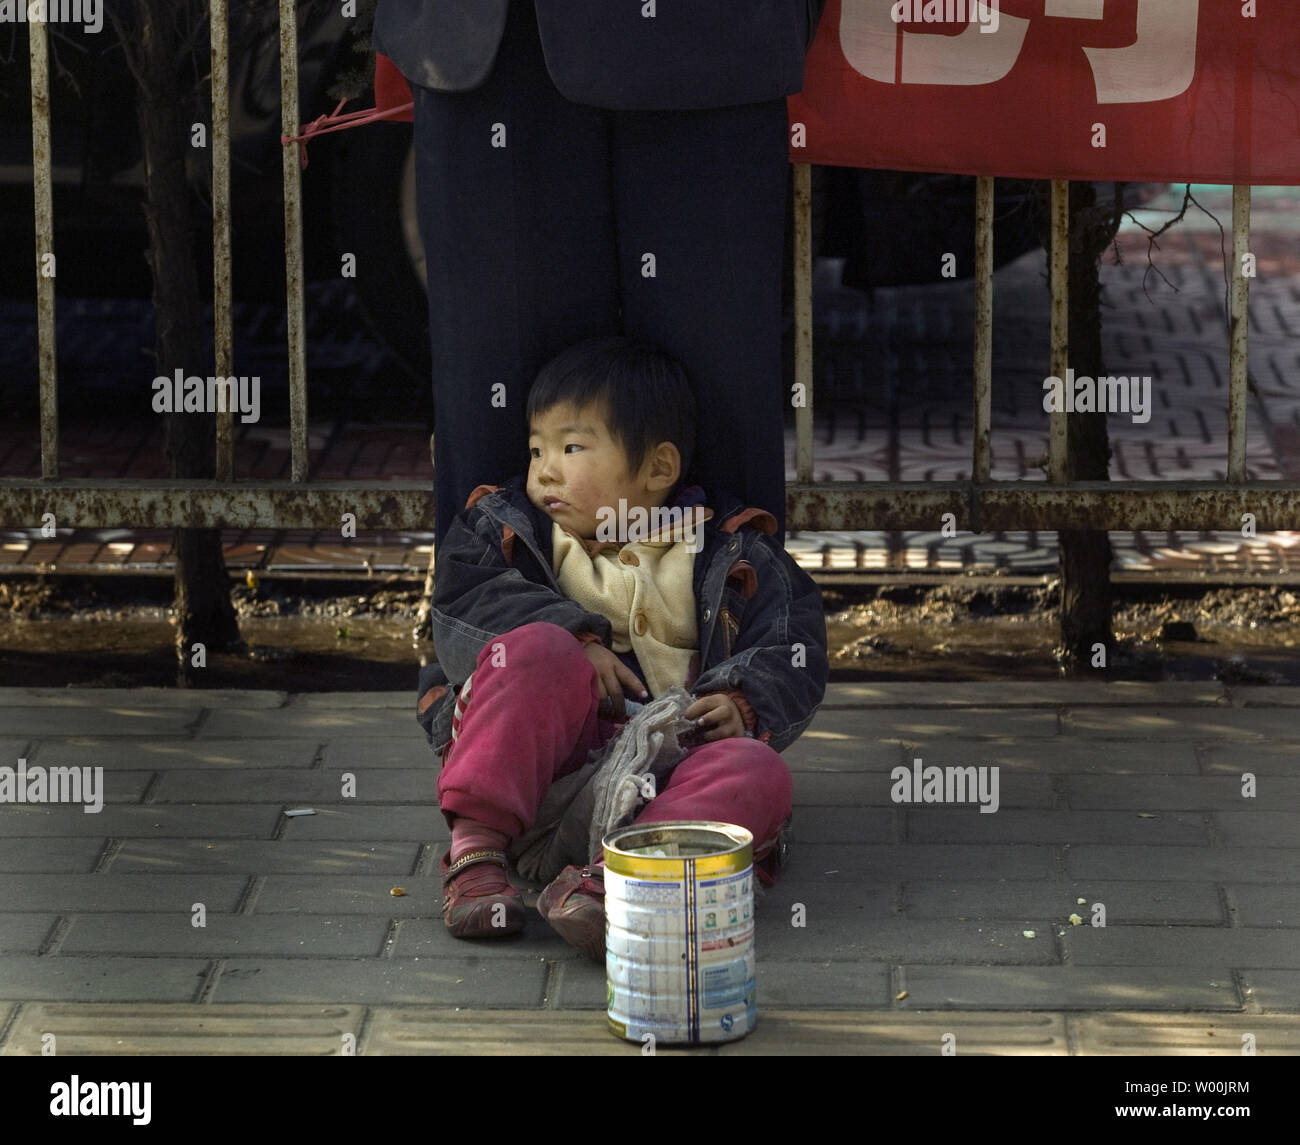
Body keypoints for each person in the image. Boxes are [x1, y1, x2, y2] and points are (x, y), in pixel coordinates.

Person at [415, 337, 828, 959]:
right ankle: (475, 854)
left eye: (572, 447)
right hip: (539, 778)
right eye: (536, 450)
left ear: (658, 469)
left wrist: (744, 701)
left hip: (662, 784)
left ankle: (618, 885)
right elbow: (463, 604)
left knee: (757, 769)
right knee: (533, 655)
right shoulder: (503, 533)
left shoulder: (734, 554)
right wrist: (573, 636)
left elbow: (791, 642)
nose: (545, 470)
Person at [371, 0, 829, 546]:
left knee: (715, 408)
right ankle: (510, 629)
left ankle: (721, 621)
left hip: (715, 29)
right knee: (499, 430)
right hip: (486, 31)